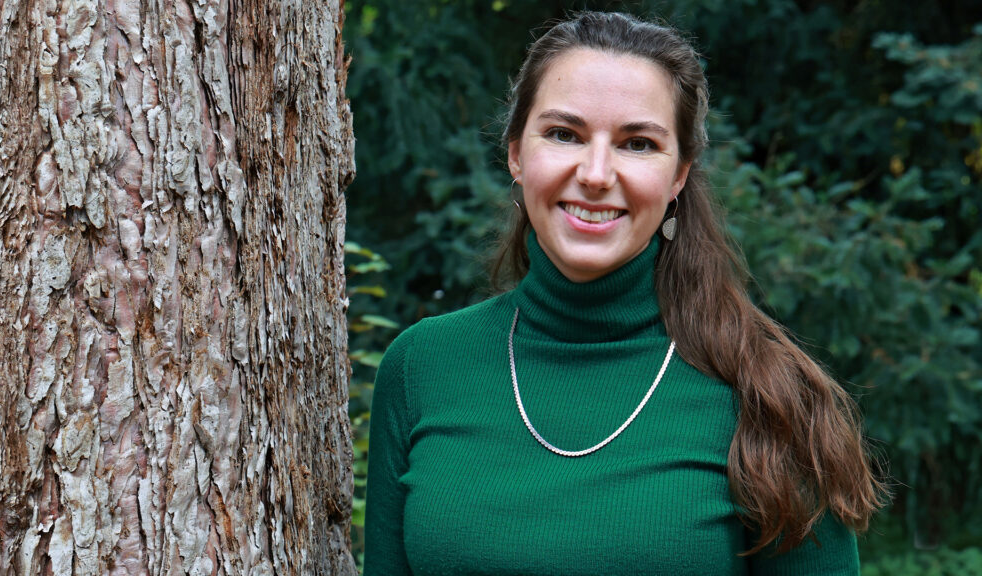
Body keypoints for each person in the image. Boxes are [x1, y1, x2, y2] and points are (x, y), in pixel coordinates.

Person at [363, 11, 886, 575]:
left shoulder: (773, 397)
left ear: (679, 174)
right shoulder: (421, 367)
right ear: (516, 152)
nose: (595, 173)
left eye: (637, 144)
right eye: (564, 134)